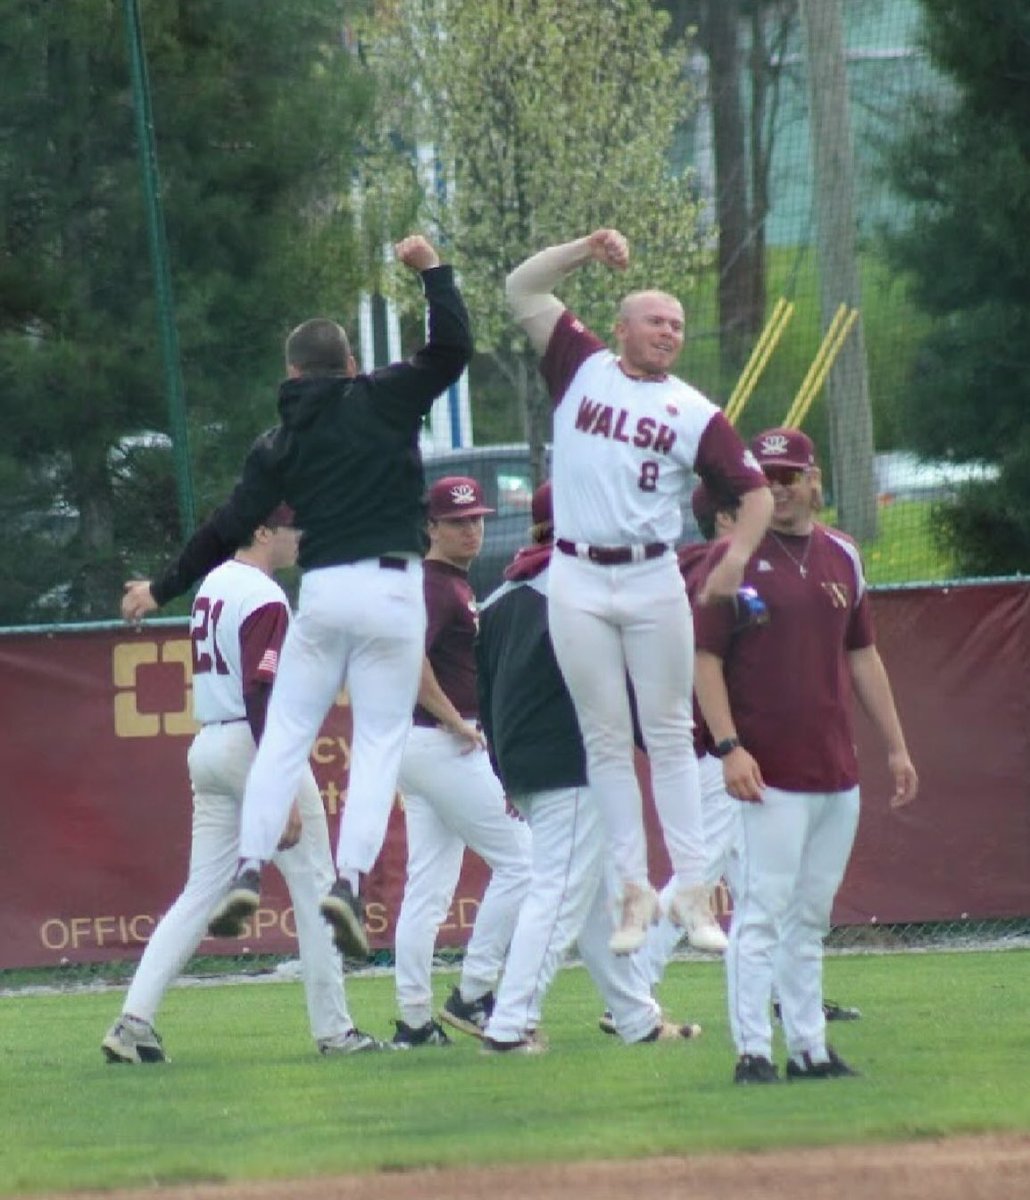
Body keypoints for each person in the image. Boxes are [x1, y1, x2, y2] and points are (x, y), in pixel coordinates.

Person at [121, 235, 472, 960]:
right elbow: (451, 351)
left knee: (285, 734)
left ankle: (250, 867)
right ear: (350, 364)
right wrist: (433, 273)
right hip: (395, 586)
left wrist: (160, 586)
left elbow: (224, 526)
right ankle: (346, 883)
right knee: (377, 743)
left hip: (325, 591)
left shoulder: (278, 442)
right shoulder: (382, 396)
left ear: (291, 371)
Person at [505, 228, 773, 956]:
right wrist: (583, 251)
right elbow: (521, 287)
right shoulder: (581, 366)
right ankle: (632, 893)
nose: (670, 333)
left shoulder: (694, 410)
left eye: (679, 326)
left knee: (668, 737)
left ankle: (691, 890)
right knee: (606, 741)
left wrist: (735, 558)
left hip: (653, 573)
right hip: (578, 574)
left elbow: (755, 495)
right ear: (621, 328)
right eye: (657, 320)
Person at [102, 506, 389, 1063]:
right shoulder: (263, 594)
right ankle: (336, 1032)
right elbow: (263, 690)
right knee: (317, 889)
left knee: (200, 891)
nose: (301, 535)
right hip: (253, 747)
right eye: (292, 527)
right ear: (263, 532)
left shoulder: (214, 582)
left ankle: (133, 1022)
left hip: (209, 743)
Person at [692, 427, 918, 1084]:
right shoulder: (732, 558)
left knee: (810, 916)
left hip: (835, 769)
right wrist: (729, 747)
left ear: (814, 478)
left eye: (790, 475)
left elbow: (863, 655)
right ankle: (753, 1051)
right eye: (768, 478)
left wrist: (897, 747)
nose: (781, 488)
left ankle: (811, 1048)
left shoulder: (842, 555)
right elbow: (704, 662)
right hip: (766, 769)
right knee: (762, 909)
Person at [475, 482, 702, 1054]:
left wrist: (504, 772)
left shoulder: (501, 595)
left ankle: (637, 1019)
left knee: (601, 902)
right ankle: (509, 1026)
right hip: (572, 763)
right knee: (555, 896)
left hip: (528, 764)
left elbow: (486, 694)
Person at [390, 476, 532, 1048]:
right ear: (431, 527)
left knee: (428, 885)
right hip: (439, 743)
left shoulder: (447, 584)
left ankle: (414, 1020)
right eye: (457, 521)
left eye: (476, 518)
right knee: (525, 863)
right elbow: (409, 660)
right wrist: (453, 719)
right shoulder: (434, 585)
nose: (472, 528)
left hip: (419, 746)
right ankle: (473, 993)